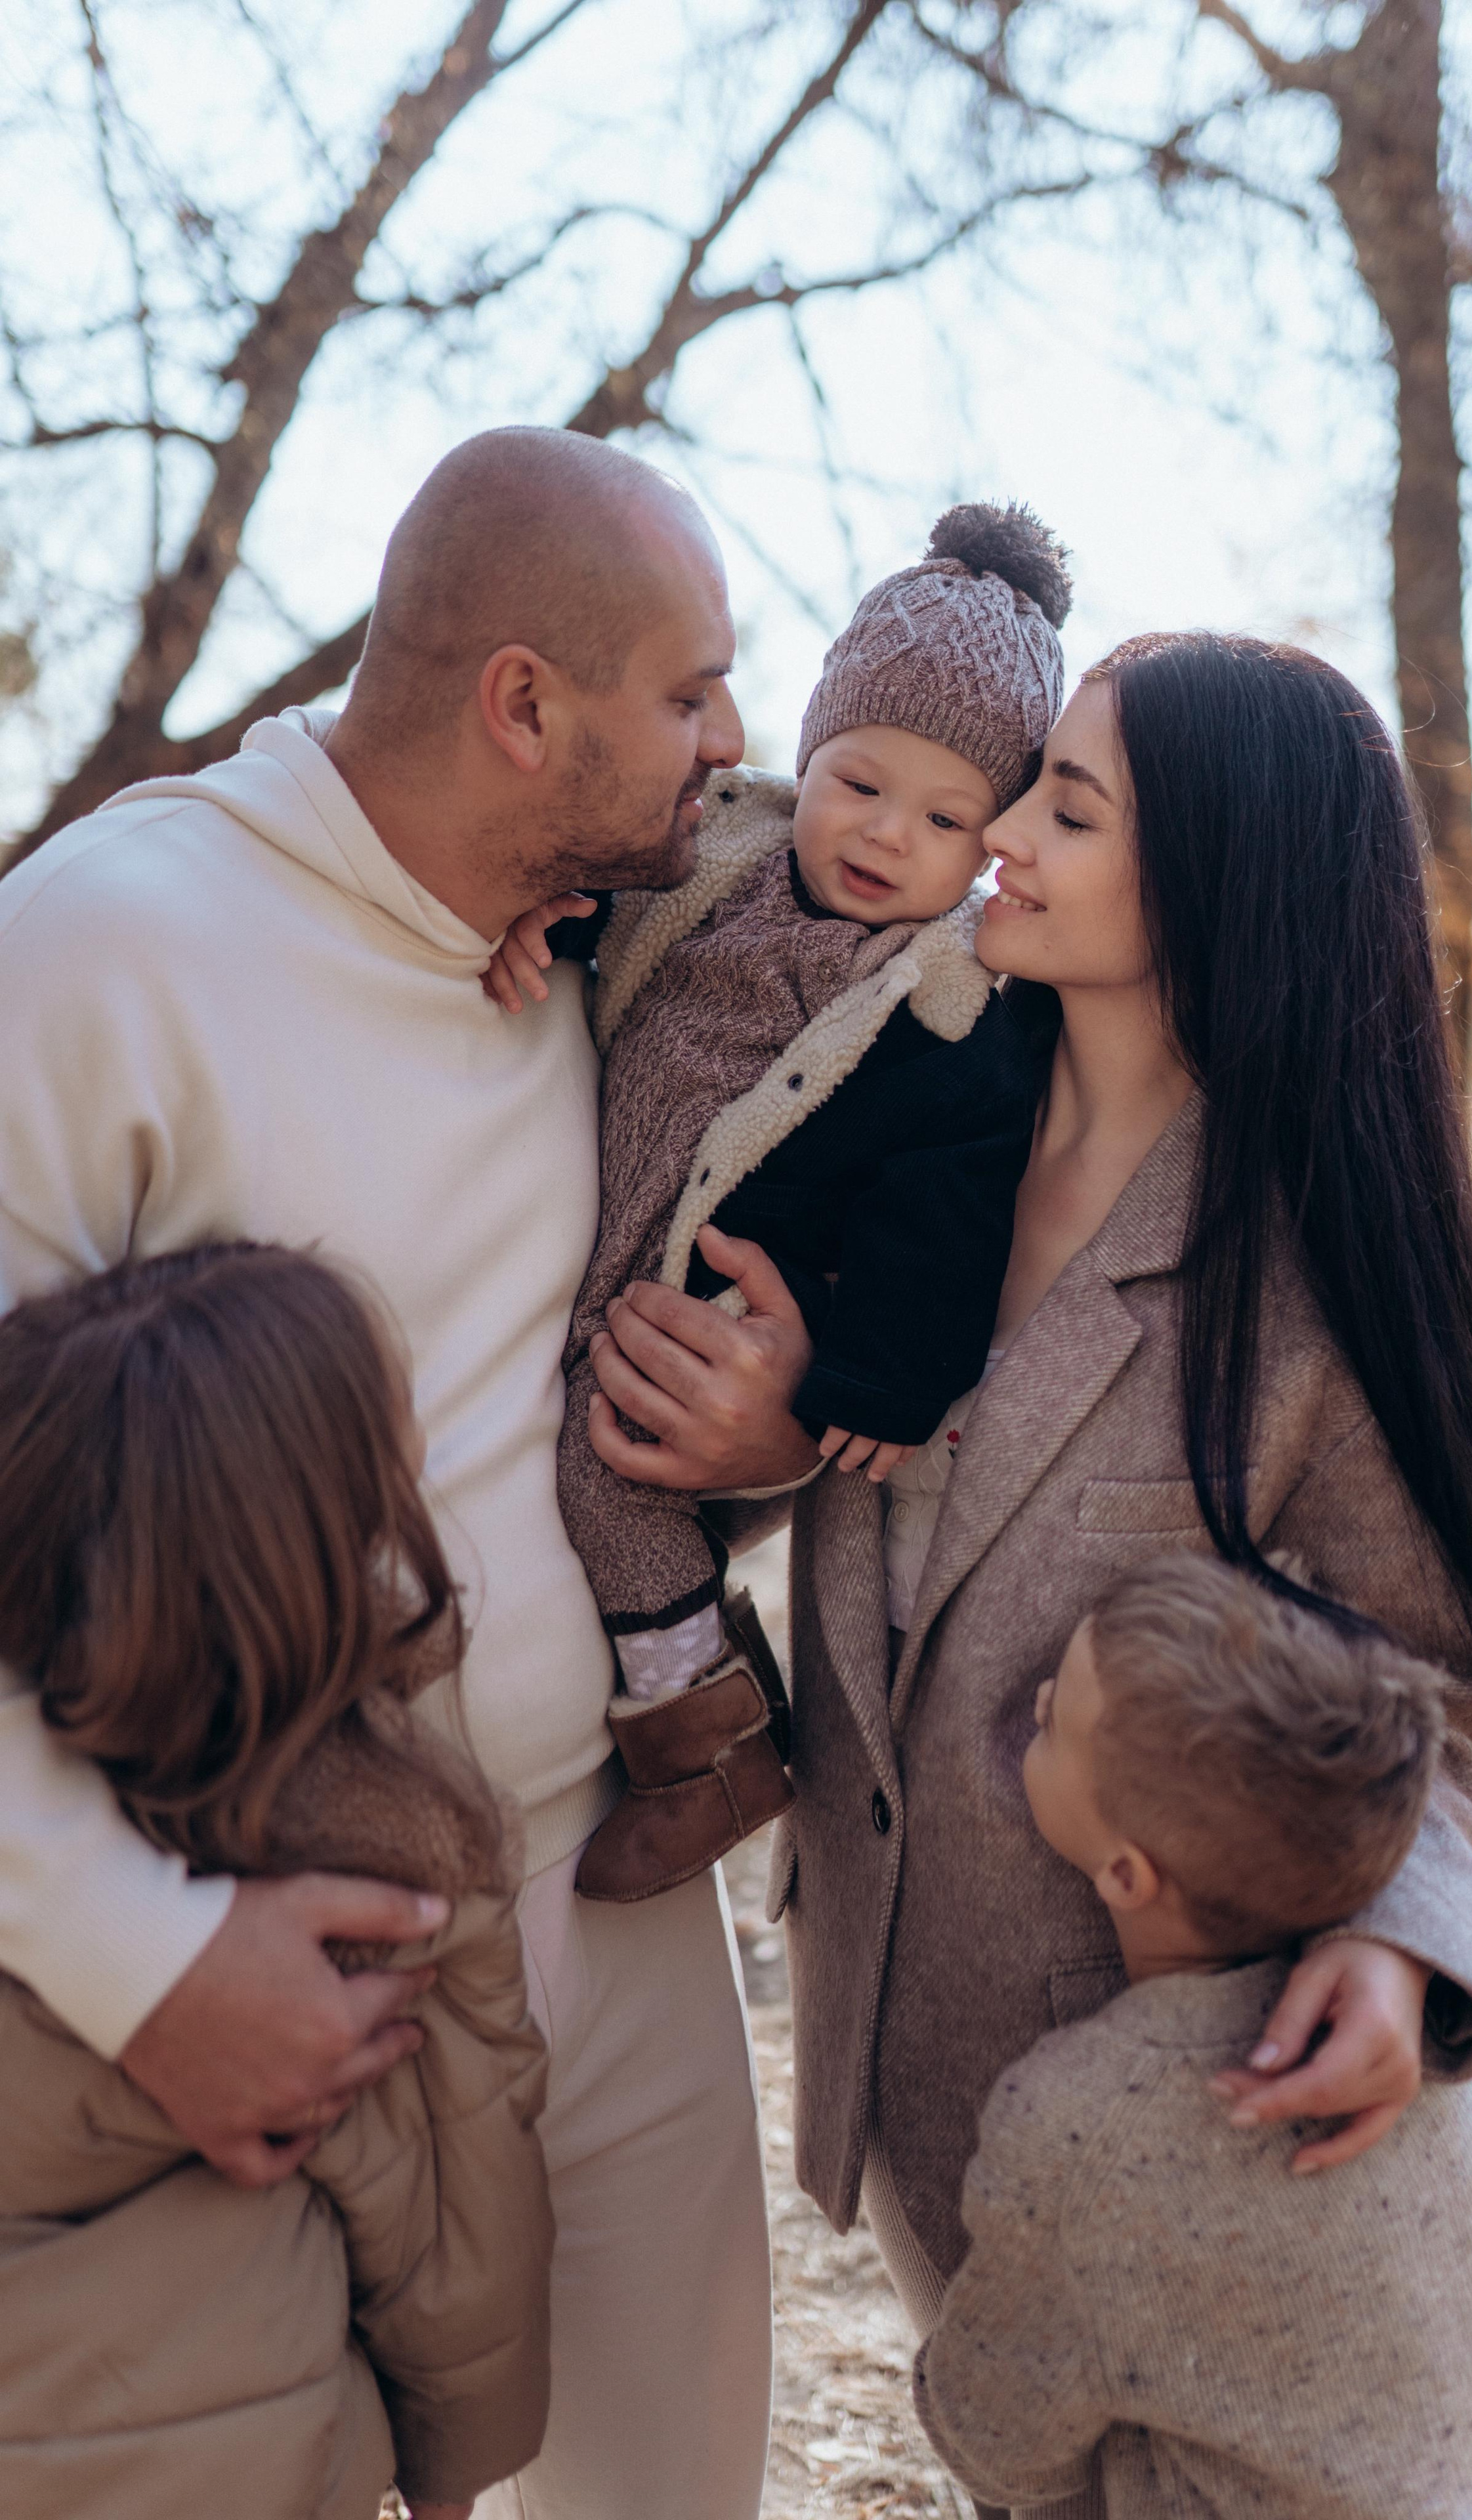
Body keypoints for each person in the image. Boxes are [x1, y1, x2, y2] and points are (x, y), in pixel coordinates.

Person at [584, 631, 1472, 2520]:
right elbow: (911, 1517)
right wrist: (782, 1442)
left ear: (1207, 881)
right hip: (904, 2041)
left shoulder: (1312, 1271)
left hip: (1194, 2105)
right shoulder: (922, 1107)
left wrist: (1394, 1941)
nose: (1005, 832)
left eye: (1069, 804)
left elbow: (1428, 1692)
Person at [0, 427, 778, 2520]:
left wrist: (770, 1436)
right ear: (524, 707)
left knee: (675, 2494)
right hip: (264, 1944)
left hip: (612, 1902)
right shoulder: (96, 952)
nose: (736, 740)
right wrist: (131, 1956)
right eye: (693, 692)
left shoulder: (600, 943)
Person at [491, 505, 1062, 1900]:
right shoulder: (718, 856)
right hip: (598, 1234)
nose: (884, 836)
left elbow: (946, 1207)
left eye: (943, 820)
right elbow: (602, 894)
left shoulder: (953, 997)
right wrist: (523, 909)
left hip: (699, 1302)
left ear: (987, 845)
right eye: (860, 783)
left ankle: (715, 1747)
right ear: (810, 752)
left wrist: (878, 1375)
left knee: (602, 1473)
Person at [0, 1242, 553, 2520]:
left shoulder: (39, 1833)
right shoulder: (393, 1849)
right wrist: (458, 2471)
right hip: (248, 2462)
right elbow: (454, 2239)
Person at [911, 1558, 1472, 2519]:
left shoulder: (1082, 2122)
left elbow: (998, 2450)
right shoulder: (1419, 2046)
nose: (1040, 1696)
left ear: (1128, 1876)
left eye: (1055, 1725)